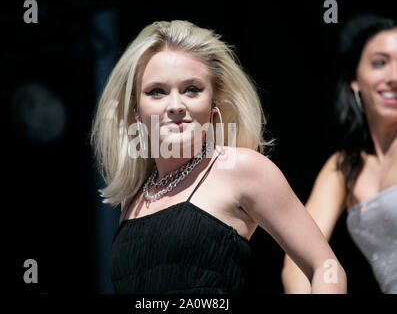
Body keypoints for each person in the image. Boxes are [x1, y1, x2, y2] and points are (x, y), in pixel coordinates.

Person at [91, 20, 346, 294]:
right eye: (157, 92)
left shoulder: (240, 169)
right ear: (136, 111)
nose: (176, 105)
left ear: (214, 101)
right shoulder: (134, 198)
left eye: (192, 89)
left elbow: (325, 266)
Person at [282, 15, 397, 294]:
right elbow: (298, 259)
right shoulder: (343, 167)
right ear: (355, 80)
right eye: (380, 63)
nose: (394, 77)